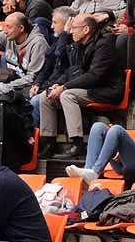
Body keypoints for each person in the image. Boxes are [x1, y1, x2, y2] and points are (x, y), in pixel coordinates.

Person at [40, 13, 123, 157]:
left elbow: (95, 76)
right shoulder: (79, 45)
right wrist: (57, 84)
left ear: (86, 30)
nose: (70, 31)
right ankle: (49, 143)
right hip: (88, 89)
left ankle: (77, 143)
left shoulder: (104, 43)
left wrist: (64, 87)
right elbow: (72, 71)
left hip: (106, 90)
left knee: (67, 95)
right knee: (45, 96)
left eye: (73, 28)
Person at [67, 80, 135, 183]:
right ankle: (89, 170)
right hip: (125, 161)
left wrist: (127, 146)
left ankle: (95, 172)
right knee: (98, 127)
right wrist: (121, 149)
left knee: (116, 129)